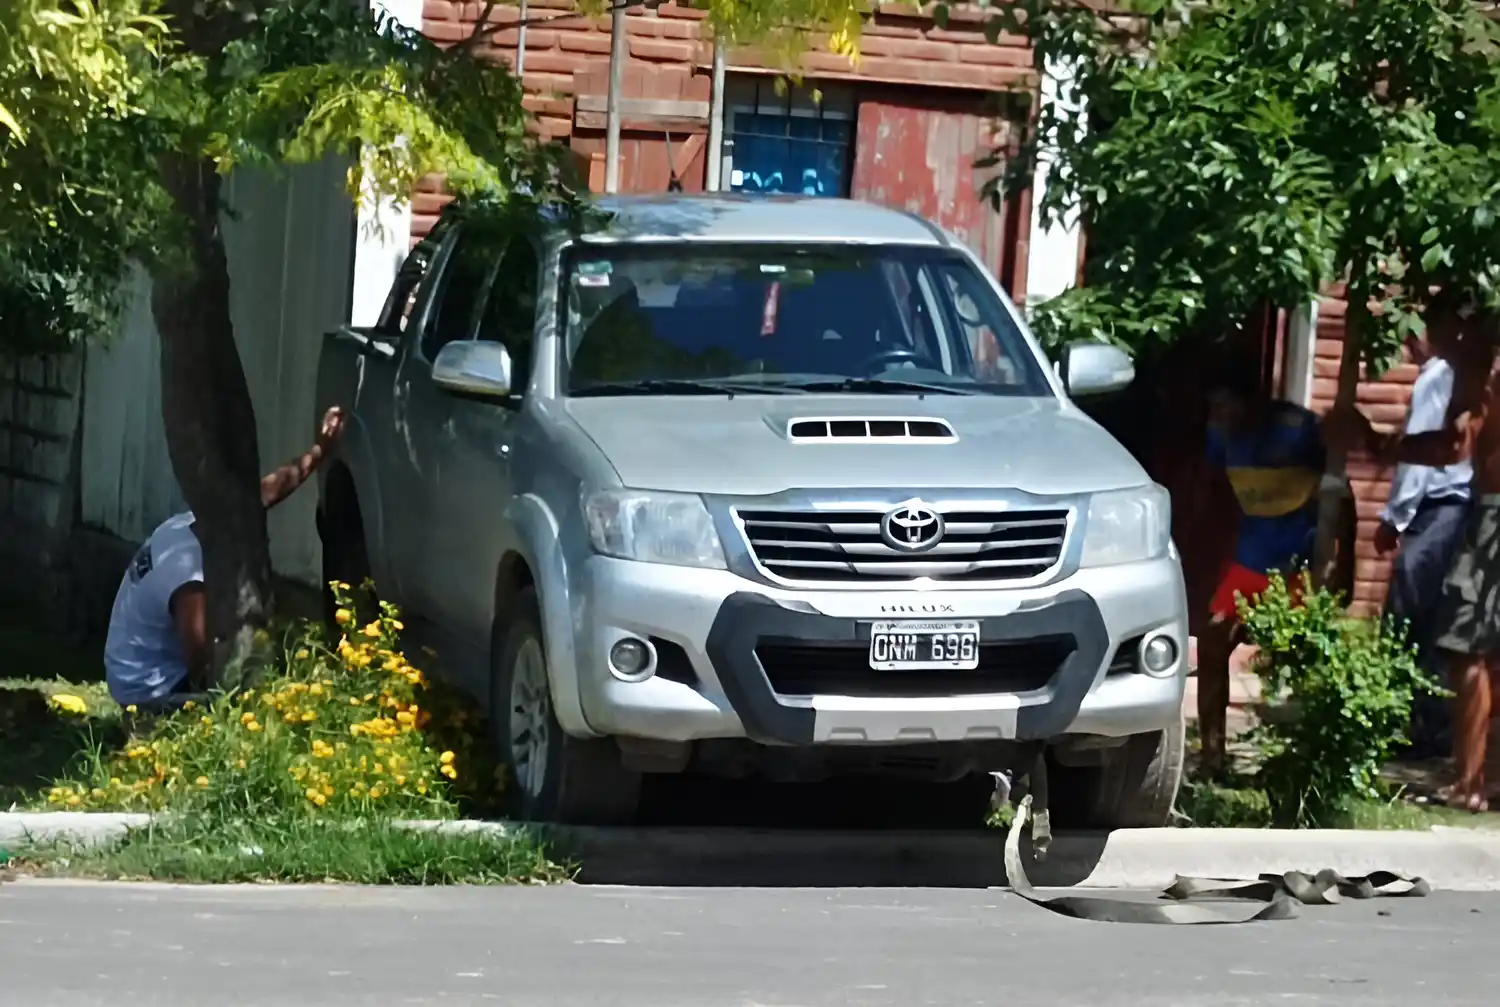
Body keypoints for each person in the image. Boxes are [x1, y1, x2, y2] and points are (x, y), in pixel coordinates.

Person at [1328, 292, 1499, 811]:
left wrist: (1376, 445)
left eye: (1431, 327)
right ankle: (1480, 778)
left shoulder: (1471, 370)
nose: (1422, 339)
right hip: (1481, 506)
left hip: (1485, 511)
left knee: (1461, 645)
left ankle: (1465, 778)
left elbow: (1451, 446)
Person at [104, 407, 346, 712]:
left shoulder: (188, 524)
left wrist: (320, 450)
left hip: (129, 673)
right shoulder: (190, 575)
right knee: (243, 700)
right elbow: (202, 667)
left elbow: (267, 492)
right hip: (147, 693)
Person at [1198, 365, 1327, 775]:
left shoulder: (1301, 429)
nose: (1220, 416)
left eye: (1226, 406)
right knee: (1213, 641)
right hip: (1250, 561)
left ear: (1252, 402)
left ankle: (1300, 765)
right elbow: (1214, 492)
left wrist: (1338, 567)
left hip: (1297, 565)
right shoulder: (1220, 434)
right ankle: (1212, 756)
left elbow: (1341, 496)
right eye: (1214, 408)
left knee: (1301, 658)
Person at [1376, 330, 1473, 759]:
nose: (1407, 346)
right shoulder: (1465, 377)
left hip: (1440, 508)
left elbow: (1415, 462)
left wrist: (1394, 518)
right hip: (1459, 511)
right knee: (1435, 615)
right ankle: (1428, 725)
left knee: (1409, 613)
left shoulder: (1436, 376)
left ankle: (1410, 723)